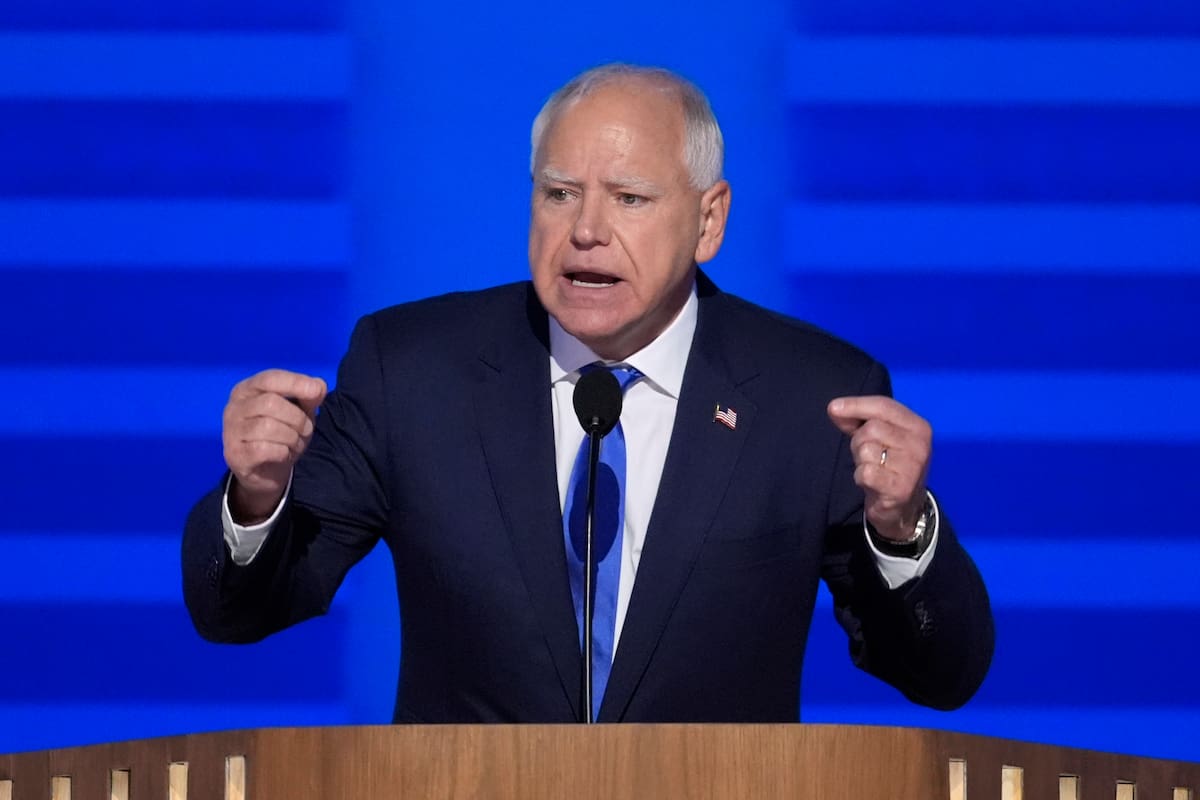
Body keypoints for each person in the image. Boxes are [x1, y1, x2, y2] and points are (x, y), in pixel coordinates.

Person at [183, 63, 993, 723]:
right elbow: (241, 612)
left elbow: (940, 674)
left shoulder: (812, 394)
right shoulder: (413, 369)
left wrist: (903, 530)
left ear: (709, 222)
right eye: (559, 192)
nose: (585, 231)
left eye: (630, 199)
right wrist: (256, 503)